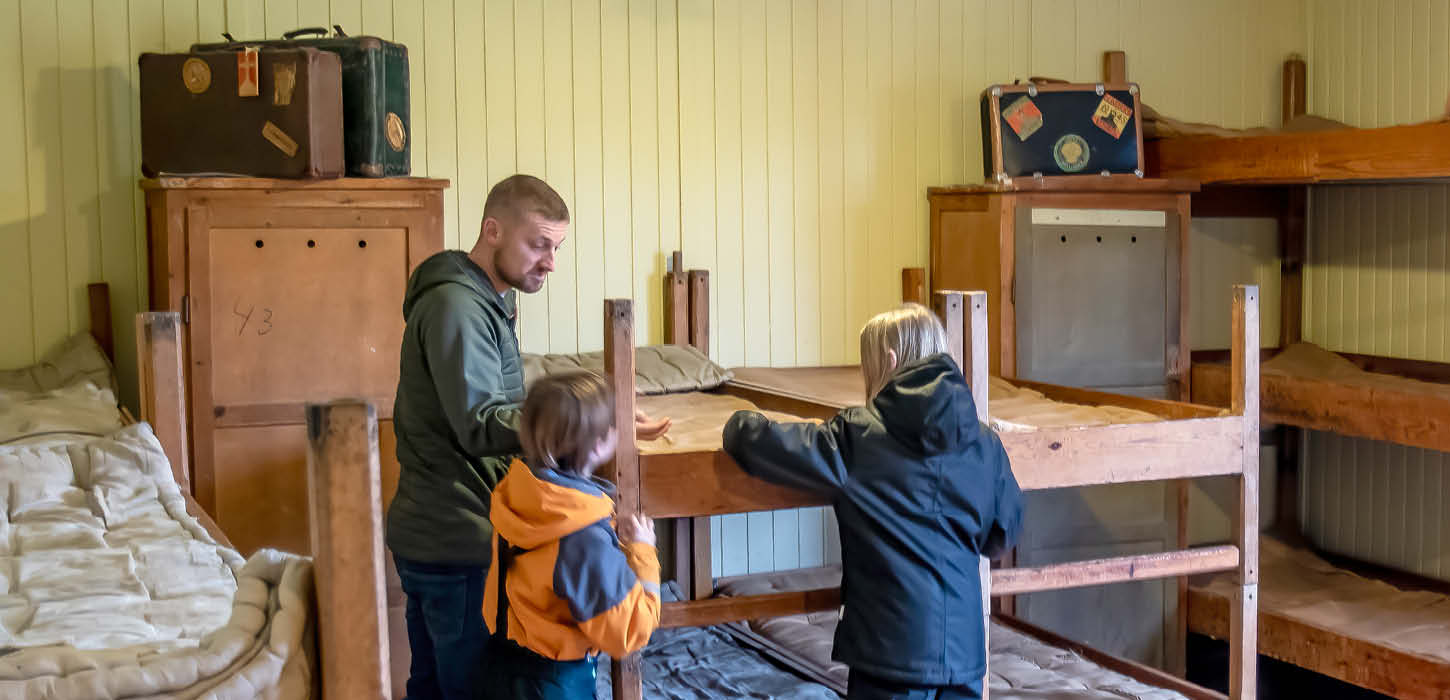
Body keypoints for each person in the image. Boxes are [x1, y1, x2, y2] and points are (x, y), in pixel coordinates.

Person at [387, 174, 669, 700]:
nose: (550, 262)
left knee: (434, 687)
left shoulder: (486, 300)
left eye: (556, 247)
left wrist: (596, 415)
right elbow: (479, 421)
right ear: (493, 230)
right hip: (457, 535)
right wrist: (584, 421)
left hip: (447, 530)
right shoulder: (457, 306)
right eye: (539, 244)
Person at [722, 303, 1023, 700]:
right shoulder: (985, 443)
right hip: (963, 656)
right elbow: (1002, 534)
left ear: (891, 361)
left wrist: (740, 422)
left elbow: (765, 445)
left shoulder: (858, 436)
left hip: (890, 656)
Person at [483, 371, 661, 699]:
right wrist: (643, 552)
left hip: (502, 666)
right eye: (615, 425)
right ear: (598, 444)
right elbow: (627, 632)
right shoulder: (583, 537)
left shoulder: (517, 493)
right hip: (556, 682)